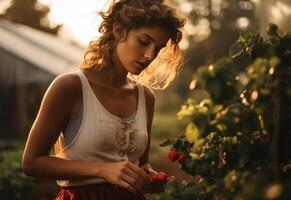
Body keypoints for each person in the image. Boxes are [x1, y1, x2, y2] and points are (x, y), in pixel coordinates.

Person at [22, 0, 185, 199]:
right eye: (143, 42)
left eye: (158, 49)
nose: (150, 55)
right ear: (119, 31)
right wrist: (102, 170)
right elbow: (32, 162)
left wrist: (149, 178)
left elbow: (141, 164)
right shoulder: (71, 87)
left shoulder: (145, 97)